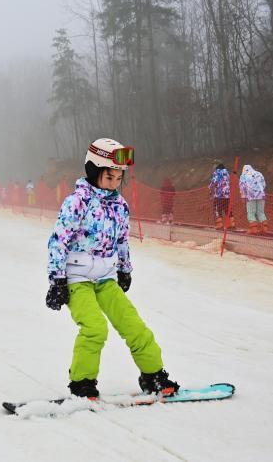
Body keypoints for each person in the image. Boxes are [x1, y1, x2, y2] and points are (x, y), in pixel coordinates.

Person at [46, 138, 179, 399]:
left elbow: (122, 241)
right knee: (95, 328)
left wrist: (125, 269)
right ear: (94, 172)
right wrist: (57, 280)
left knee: (134, 326)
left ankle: (153, 375)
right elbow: (58, 240)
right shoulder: (77, 203)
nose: (115, 183)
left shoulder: (120, 205)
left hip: (106, 277)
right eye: (109, 177)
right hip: (76, 277)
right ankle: (82, 383)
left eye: (119, 178)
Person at [239, 164, 267, 234]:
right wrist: (259, 191)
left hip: (251, 196)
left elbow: (242, 187)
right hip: (261, 194)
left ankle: (253, 230)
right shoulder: (259, 173)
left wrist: (243, 196)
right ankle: (264, 229)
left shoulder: (243, 176)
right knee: (260, 212)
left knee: (251, 212)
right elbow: (264, 184)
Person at [209, 164, 234, 230]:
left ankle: (219, 225)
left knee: (218, 209)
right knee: (227, 209)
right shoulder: (227, 174)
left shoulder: (216, 173)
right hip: (227, 195)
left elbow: (213, 182)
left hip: (218, 195)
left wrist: (210, 190)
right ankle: (232, 224)